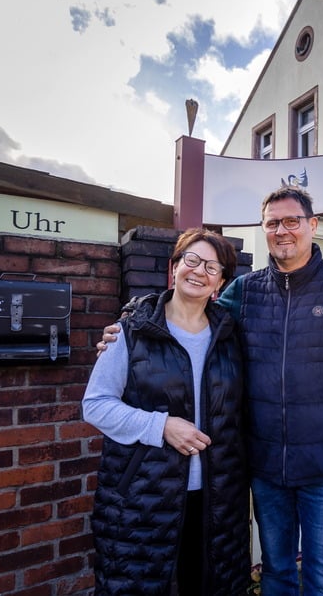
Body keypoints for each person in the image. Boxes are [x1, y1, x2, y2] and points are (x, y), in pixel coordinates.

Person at [101, 187, 323, 595]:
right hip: (264, 463)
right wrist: (132, 318)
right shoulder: (244, 291)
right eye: (273, 223)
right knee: (276, 570)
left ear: (312, 226)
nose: (282, 230)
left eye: (292, 220)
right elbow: (191, 310)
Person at [83, 228, 249, 596]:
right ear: (173, 268)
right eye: (191, 260)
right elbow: (95, 404)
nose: (199, 271)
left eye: (211, 266)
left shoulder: (230, 336)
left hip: (217, 498)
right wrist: (161, 426)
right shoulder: (131, 331)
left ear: (220, 281)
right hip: (143, 494)